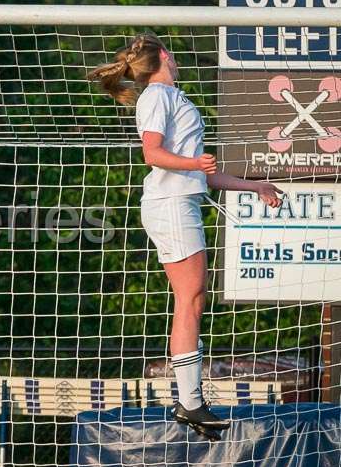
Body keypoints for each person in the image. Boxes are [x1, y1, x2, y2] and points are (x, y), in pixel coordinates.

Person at [88, 33, 283, 437]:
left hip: (184, 201)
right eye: (170, 52)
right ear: (164, 55)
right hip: (171, 204)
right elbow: (152, 153)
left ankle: (191, 400)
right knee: (190, 297)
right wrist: (194, 161)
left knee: (194, 297)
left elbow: (205, 173)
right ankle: (190, 401)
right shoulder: (156, 96)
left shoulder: (175, 98)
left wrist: (256, 186)